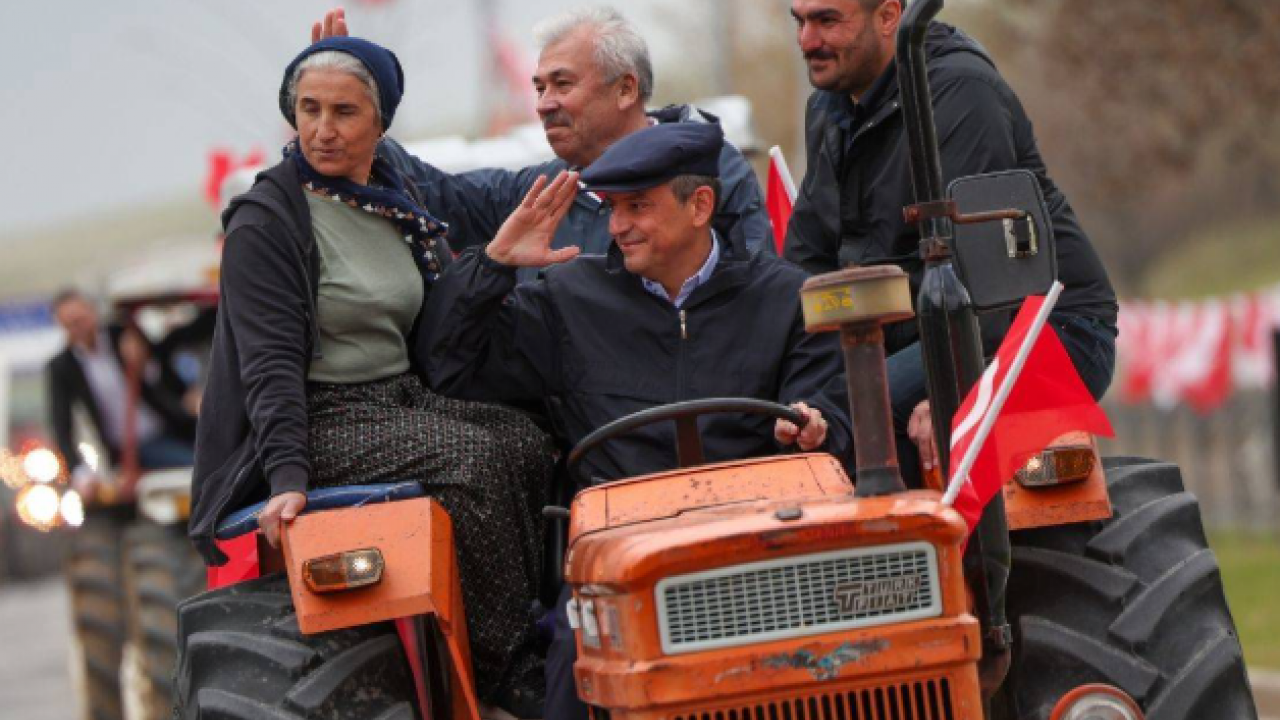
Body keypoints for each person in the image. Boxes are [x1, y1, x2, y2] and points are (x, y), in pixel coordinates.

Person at [423, 122, 852, 720]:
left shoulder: (786, 298)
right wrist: (493, 263)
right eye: (613, 208)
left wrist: (813, 423)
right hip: (618, 557)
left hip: (760, 543)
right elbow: (447, 365)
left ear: (701, 204)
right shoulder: (567, 298)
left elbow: (827, 407)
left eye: (637, 207)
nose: (616, 225)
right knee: (578, 655)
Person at [186, 37, 555, 717]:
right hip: (319, 417)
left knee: (529, 438)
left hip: (400, 401)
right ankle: (503, 671)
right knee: (473, 459)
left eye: (345, 111)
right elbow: (268, 367)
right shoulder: (268, 221)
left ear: (380, 125)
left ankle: (535, 629)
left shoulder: (392, 196)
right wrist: (288, 478)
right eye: (308, 109)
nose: (323, 129)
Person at [783, 0, 1118, 479]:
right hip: (916, 332)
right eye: (800, 21)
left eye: (827, 21)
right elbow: (805, 262)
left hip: (1040, 327)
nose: (807, 41)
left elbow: (989, 280)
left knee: (844, 414)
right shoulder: (830, 111)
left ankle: (933, 550)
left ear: (888, 16)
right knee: (784, 414)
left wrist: (953, 385)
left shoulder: (960, 92)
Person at [311, 6, 773, 268]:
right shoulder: (539, 195)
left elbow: (759, 288)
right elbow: (436, 192)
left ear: (626, 89)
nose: (544, 102)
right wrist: (356, 113)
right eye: (539, 87)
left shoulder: (714, 168)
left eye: (562, 84)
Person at [46, 289, 196, 484]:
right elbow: (61, 423)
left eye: (80, 319)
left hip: (164, 429)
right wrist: (78, 472)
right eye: (70, 324)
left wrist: (143, 361)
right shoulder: (63, 366)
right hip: (125, 451)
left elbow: (163, 375)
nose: (78, 328)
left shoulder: (123, 335)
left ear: (92, 312)